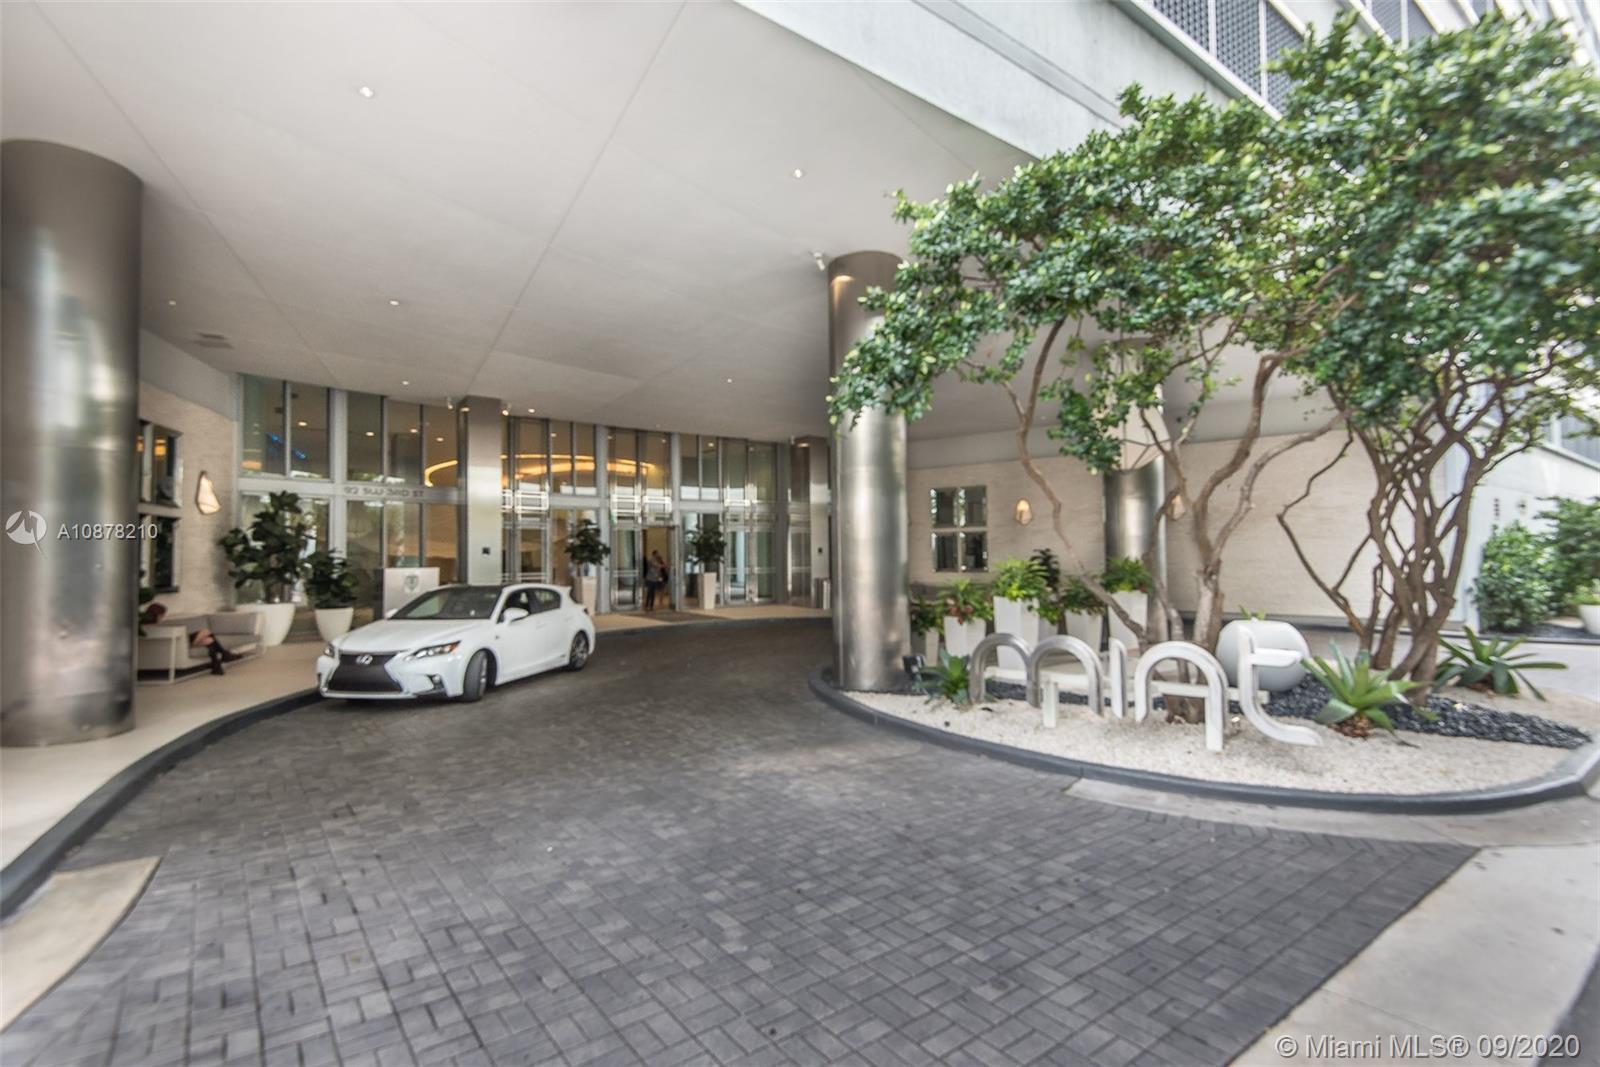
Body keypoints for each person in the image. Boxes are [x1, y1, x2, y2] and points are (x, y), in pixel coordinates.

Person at [141, 602, 241, 675]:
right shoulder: (153, 625)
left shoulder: (152, 625)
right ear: (157, 614)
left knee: (209, 640)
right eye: (162, 615)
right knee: (206, 632)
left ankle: (216, 664)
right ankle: (223, 655)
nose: (163, 616)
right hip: (181, 641)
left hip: (182, 639)